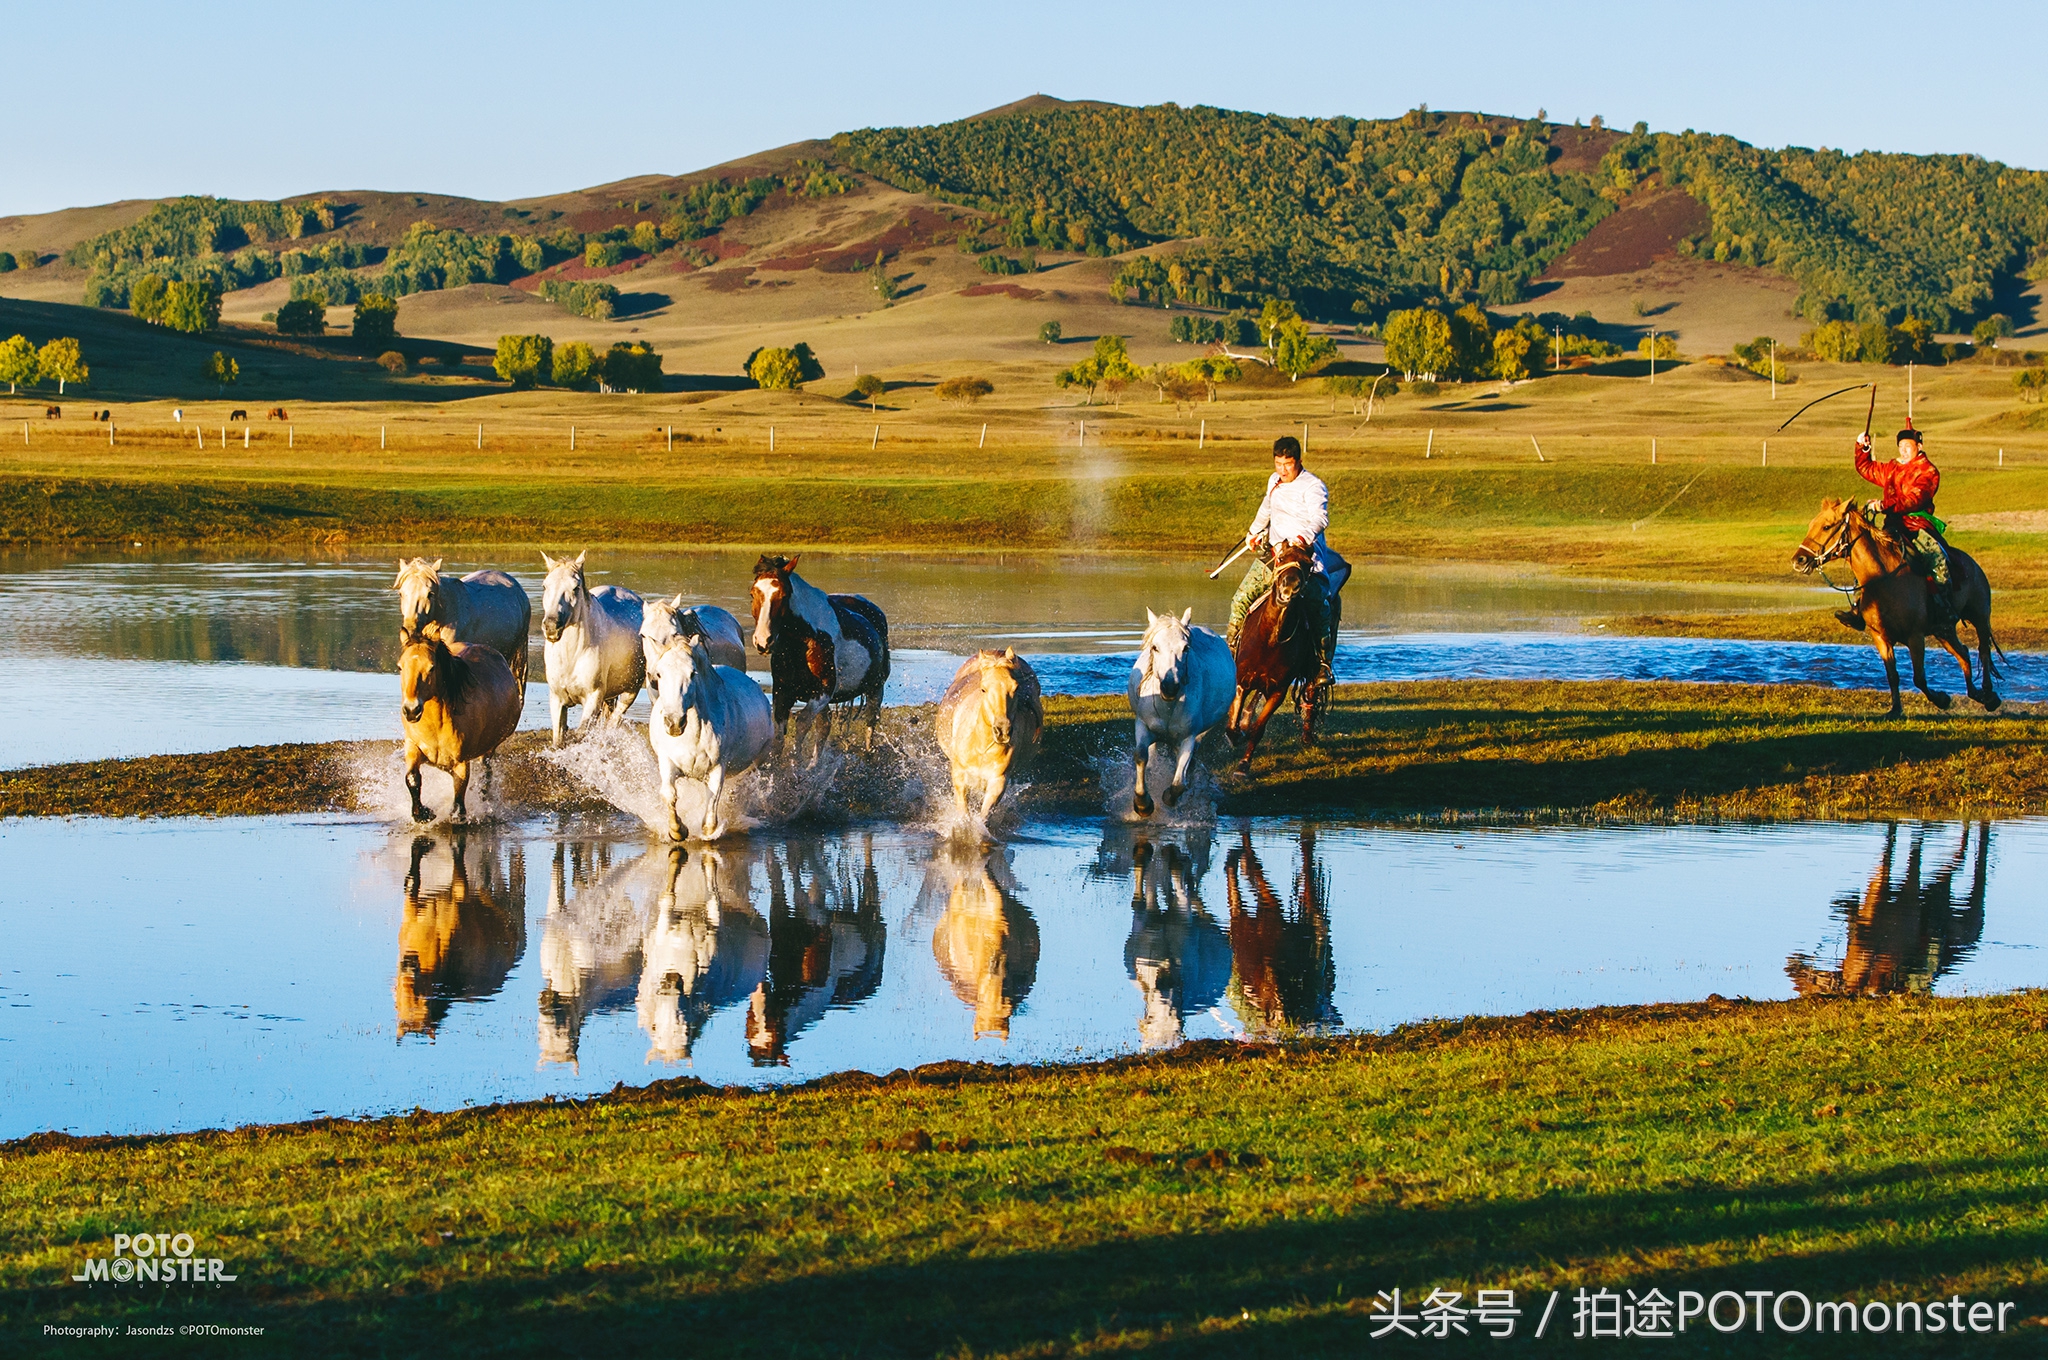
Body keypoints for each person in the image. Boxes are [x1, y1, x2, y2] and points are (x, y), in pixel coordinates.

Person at [1226, 436, 1351, 679]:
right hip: (1275, 557)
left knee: (1319, 607)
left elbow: (1320, 519)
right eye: (1278, 464)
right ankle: (1231, 654)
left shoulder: (1313, 486)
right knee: (1239, 600)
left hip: (1305, 560)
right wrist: (1253, 532)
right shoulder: (1274, 481)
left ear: (1299, 461)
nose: (1283, 470)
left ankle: (1323, 665)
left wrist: (1302, 537)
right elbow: (1267, 508)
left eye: (1288, 464)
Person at [1855, 425, 1951, 624]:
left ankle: (1943, 609)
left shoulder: (1928, 471)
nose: (1903, 450)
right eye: (1900, 446)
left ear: (1919, 446)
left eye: (1907, 446)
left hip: (1917, 525)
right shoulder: (1892, 468)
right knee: (1868, 556)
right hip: (1893, 525)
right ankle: (1859, 607)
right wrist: (1862, 448)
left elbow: (1914, 499)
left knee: (1937, 559)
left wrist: (1883, 505)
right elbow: (1867, 469)